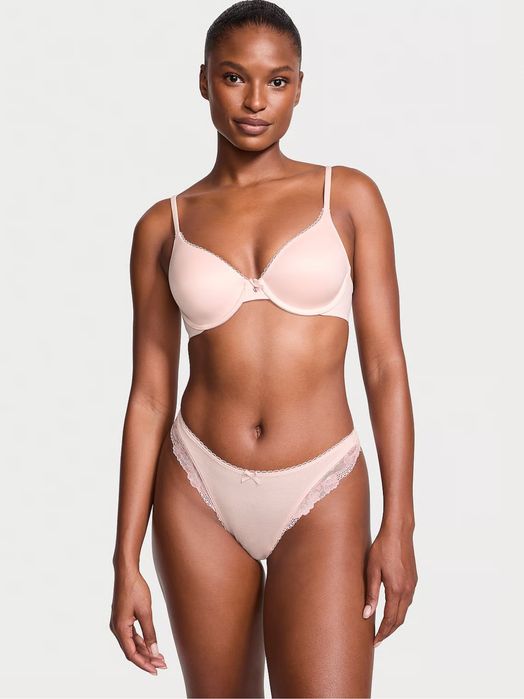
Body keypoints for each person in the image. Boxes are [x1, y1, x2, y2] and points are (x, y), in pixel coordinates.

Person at [109, 1, 417, 696]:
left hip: (322, 487)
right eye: (234, 77)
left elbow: (385, 366)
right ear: (204, 81)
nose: (255, 101)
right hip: (197, 489)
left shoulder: (347, 197)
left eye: (277, 81)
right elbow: (149, 395)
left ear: (299, 86)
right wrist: (125, 559)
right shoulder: (164, 225)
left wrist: (398, 520)